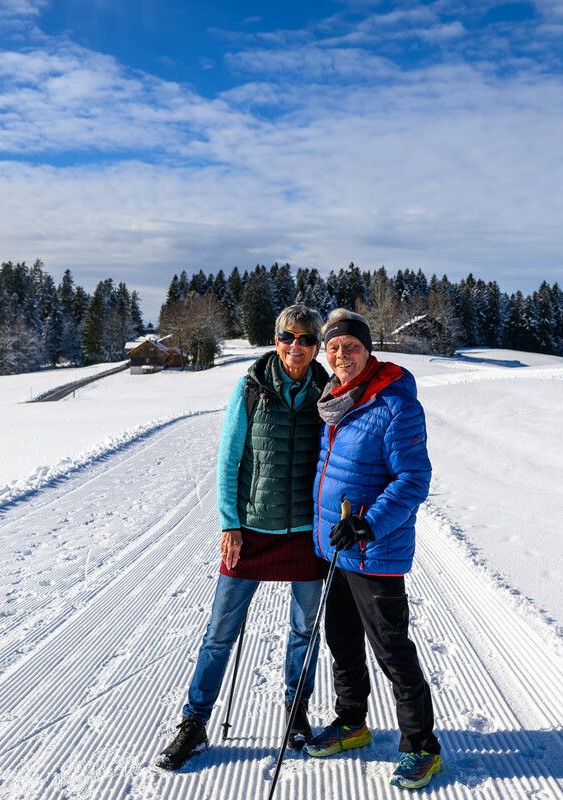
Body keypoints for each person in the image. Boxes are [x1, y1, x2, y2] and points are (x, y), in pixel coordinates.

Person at [155, 304, 331, 771]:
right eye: (287, 337)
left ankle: (296, 713)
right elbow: (228, 459)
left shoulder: (328, 391)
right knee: (220, 633)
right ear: (275, 340)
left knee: (304, 632)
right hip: (251, 531)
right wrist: (229, 523)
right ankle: (194, 722)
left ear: (317, 346)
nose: (296, 346)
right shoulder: (250, 388)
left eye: (307, 339)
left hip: (306, 534)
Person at [304, 308, 443, 790]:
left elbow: (413, 480)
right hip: (333, 548)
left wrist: (367, 525)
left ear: (369, 351)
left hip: (371, 551)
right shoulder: (335, 399)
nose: (341, 354)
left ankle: (421, 746)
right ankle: (352, 722)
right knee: (341, 640)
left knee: (391, 649)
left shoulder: (394, 403)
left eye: (351, 346)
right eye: (334, 347)